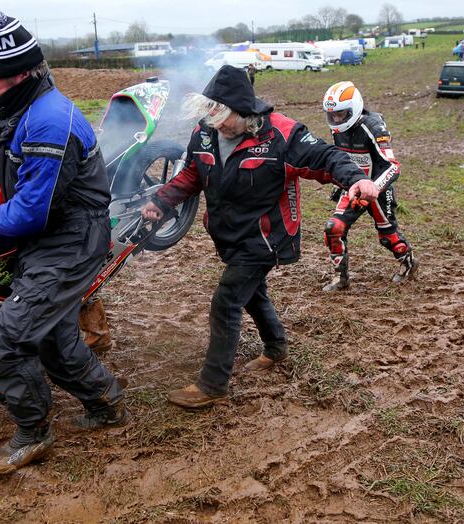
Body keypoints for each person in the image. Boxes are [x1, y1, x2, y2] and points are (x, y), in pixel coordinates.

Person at [141, 65, 378, 409]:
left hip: (266, 238)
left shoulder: (281, 135)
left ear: (244, 110)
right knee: (252, 294)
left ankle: (213, 384)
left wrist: (355, 177)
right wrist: (162, 201)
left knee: (227, 301)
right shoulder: (206, 132)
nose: (217, 124)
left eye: (223, 117)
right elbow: (193, 173)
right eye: (211, 115)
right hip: (229, 235)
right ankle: (276, 347)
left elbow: (327, 157)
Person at [0, 9, 127, 474]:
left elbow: (33, 209)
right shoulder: (18, 108)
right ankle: (107, 403)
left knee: (4, 342)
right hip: (50, 236)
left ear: (20, 73)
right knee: (52, 335)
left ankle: (32, 434)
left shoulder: (48, 121)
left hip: (71, 238)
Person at [0, 51, 113, 355]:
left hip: (41, 186)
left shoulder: (9, 106)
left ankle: (91, 326)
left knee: (59, 267)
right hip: (15, 188)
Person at [321, 81, 418, 292]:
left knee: (388, 237)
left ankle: (409, 262)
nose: (336, 119)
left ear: (355, 108)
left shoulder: (373, 126)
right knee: (333, 228)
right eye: (333, 115)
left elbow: (393, 167)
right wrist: (340, 184)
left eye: (342, 114)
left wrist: (375, 187)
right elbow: (343, 160)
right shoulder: (337, 130)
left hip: (378, 190)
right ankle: (341, 278)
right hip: (354, 187)